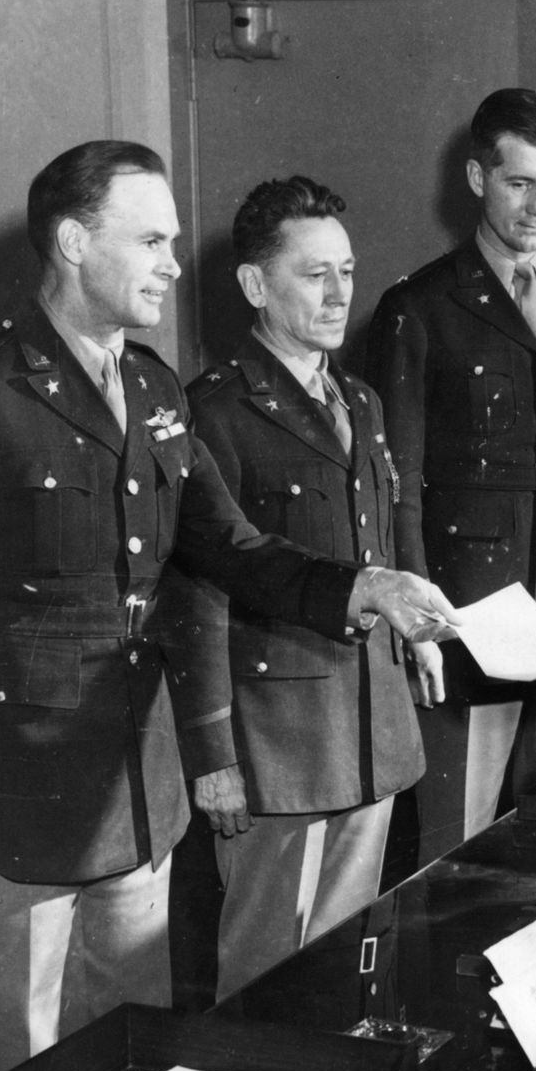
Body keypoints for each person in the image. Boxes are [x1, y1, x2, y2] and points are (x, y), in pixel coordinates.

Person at [0, 140, 455, 1071]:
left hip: (135, 793)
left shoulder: (150, 389)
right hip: (18, 801)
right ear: (71, 241)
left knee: (126, 1057)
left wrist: (363, 583)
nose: (172, 264)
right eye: (150, 239)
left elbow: (228, 547)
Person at [365, 87, 536, 865]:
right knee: (456, 838)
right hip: (469, 600)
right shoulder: (418, 306)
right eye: (519, 183)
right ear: (476, 178)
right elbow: (401, 479)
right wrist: (419, 615)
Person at [161, 177, 426, 999]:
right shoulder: (217, 410)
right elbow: (198, 588)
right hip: (276, 738)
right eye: (315, 274)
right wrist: (212, 755)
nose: (341, 293)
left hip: (368, 723)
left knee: (348, 957)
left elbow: (372, 548)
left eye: (347, 270)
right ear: (254, 285)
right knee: (265, 966)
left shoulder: (360, 399)